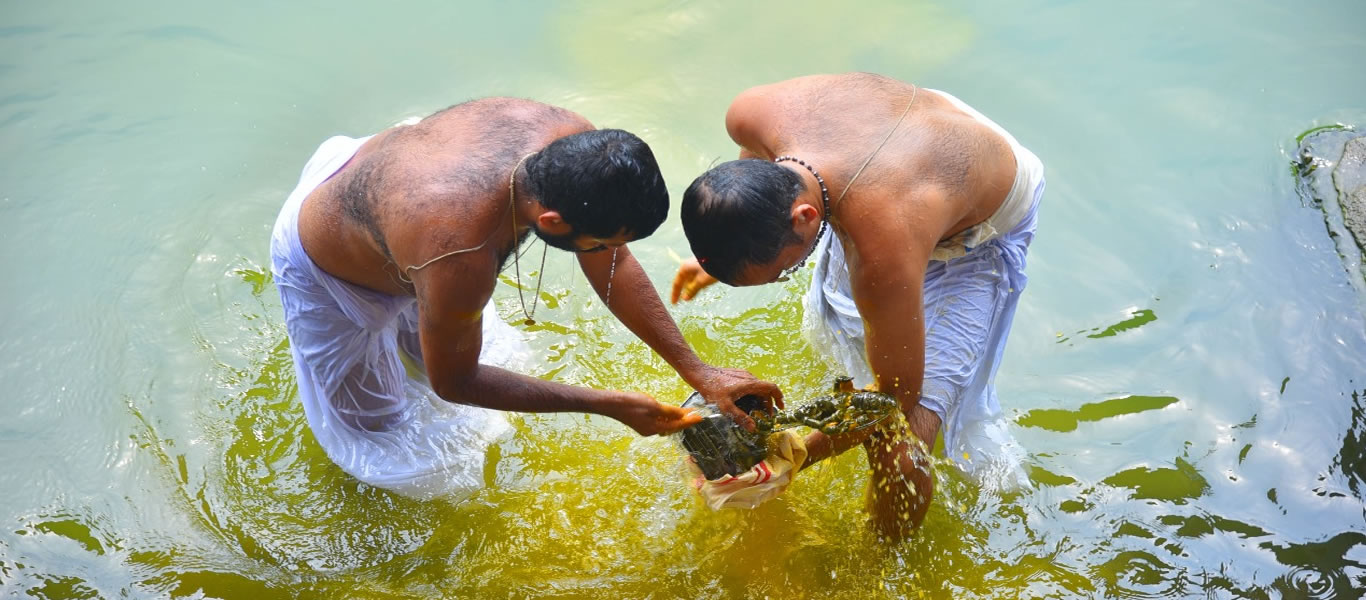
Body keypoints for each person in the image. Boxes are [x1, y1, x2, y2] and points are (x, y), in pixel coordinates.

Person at [270, 97, 780, 499]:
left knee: (482, 357)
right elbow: (456, 381)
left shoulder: (574, 144)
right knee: (386, 445)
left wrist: (699, 372)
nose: (609, 252)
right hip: (334, 265)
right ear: (550, 223)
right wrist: (611, 406)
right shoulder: (460, 254)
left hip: (397, 194)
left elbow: (615, 263)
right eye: (600, 242)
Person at [671, 73, 1043, 537]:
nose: (786, 275)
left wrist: (793, 459)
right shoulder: (752, 114)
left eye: (782, 270)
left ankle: (882, 565)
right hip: (898, 144)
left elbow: (892, 398)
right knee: (870, 356)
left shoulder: (880, 251)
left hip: (977, 220)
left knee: (900, 450)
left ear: (806, 218)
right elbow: (751, 171)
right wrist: (722, 257)